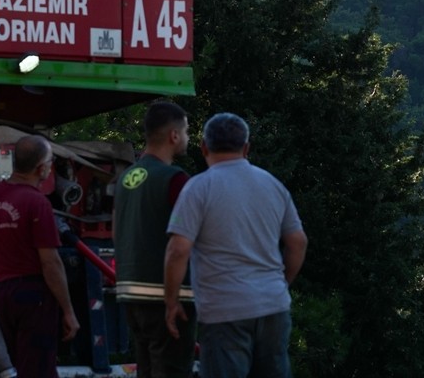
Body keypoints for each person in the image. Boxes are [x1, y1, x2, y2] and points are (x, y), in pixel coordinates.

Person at [163, 112, 308, 378]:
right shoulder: (273, 185)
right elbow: (298, 243)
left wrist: (171, 301)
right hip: (274, 306)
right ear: (246, 148)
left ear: (204, 147)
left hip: (224, 311)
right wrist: (281, 283)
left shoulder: (197, 189)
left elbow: (178, 249)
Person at [0, 134, 80, 377]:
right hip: (34, 296)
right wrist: (68, 310)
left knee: (24, 364)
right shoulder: (37, 203)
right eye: (50, 161)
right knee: (38, 369)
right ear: (42, 168)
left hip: (4, 295)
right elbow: (50, 263)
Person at [112, 100, 196, 377]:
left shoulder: (125, 178)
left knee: (146, 369)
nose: (187, 138)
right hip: (167, 297)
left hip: (130, 293)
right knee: (171, 369)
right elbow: (182, 243)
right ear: (174, 135)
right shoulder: (174, 179)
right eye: (185, 131)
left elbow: (116, 231)